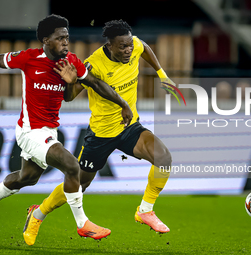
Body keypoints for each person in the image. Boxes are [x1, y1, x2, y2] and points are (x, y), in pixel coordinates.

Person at [0, 14, 133, 242]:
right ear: (46, 40)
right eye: (60, 38)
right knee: (72, 165)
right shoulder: (29, 58)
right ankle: (83, 224)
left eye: (67, 38)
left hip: (49, 130)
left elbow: (94, 83)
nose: (65, 42)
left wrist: (121, 102)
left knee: (27, 177)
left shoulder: (71, 61)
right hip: (30, 130)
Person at [22, 20, 172, 245]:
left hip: (129, 126)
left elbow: (145, 49)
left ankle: (145, 210)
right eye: (122, 47)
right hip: (101, 135)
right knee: (79, 185)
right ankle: (37, 214)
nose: (128, 50)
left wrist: (161, 73)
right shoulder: (94, 64)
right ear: (109, 45)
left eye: (129, 45)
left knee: (164, 158)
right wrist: (71, 82)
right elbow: (69, 97)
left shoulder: (135, 46)